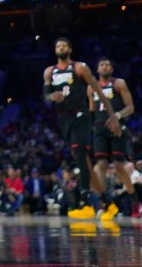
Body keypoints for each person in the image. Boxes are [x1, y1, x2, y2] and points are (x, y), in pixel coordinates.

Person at [43, 36, 118, 220]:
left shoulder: (79, 67)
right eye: (58, 45)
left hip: (80, 116)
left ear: (70, 49)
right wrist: (52, 97)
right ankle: (108, 203)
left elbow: (99, 91)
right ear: (55, 50)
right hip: (64, 119)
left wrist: (112, 116)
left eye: (64, 45)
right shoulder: (49, 72)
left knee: (81, 157)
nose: (61, 47)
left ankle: (85, 204)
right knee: (84, 163)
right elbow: (46, 96)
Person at [91, 57, 141, 220]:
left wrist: (117, 116)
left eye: (107, 65)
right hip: (99, 129)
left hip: (117, 128)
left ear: (111, 70)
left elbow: (131, 107)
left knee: (119, 166)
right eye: (101, 64)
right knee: (101, 165)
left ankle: (135, 201)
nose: (104, 67)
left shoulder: (119, 83)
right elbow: (92, 111)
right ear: (97, 69)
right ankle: (104, 204)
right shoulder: (91, 88)